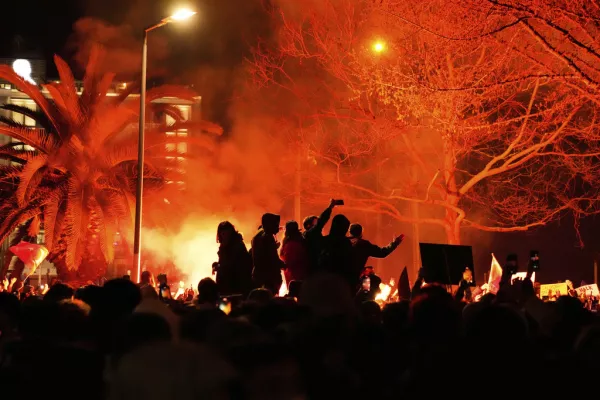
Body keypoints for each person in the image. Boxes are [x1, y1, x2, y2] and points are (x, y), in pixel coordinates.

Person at [214, 221, 253, 297]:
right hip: (226, 284)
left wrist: (220, 267)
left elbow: (237, 264)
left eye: (226, 233)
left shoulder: (237, 246)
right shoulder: (224, 246)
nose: (224, 236)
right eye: (222, 234)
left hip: (235, 283)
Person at [303, 199, 341, 275]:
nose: (318, 223)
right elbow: (322, 220)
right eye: (315, 222)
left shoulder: (310, 235)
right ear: (309, 225)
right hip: (315, 267)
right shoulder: (311, 233)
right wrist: (330, 207)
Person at [251, 213, 285, 294]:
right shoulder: (267, 237)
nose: (277, 227)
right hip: (269, 277)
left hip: (259, 275)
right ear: (269, 224)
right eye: (276, 224)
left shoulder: (258, 234)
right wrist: (283, 264)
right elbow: (272, 258)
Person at [318, 214, 354, 290]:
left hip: (324, 279)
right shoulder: (345, 243)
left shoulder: (324, 241)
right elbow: (349, 262)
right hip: (340, 281)